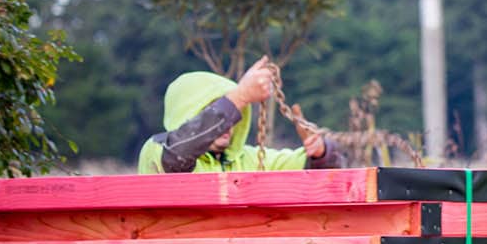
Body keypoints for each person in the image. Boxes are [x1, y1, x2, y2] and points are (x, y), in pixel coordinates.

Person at [138, 56, 343, 173]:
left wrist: (321, 153)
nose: (228, 123)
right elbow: (177, 154)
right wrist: (241, 95)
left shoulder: (250, 160)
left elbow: (311, 169)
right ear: (186, 113)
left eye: (233, 113)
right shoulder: (157, 151)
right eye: (213, 110)